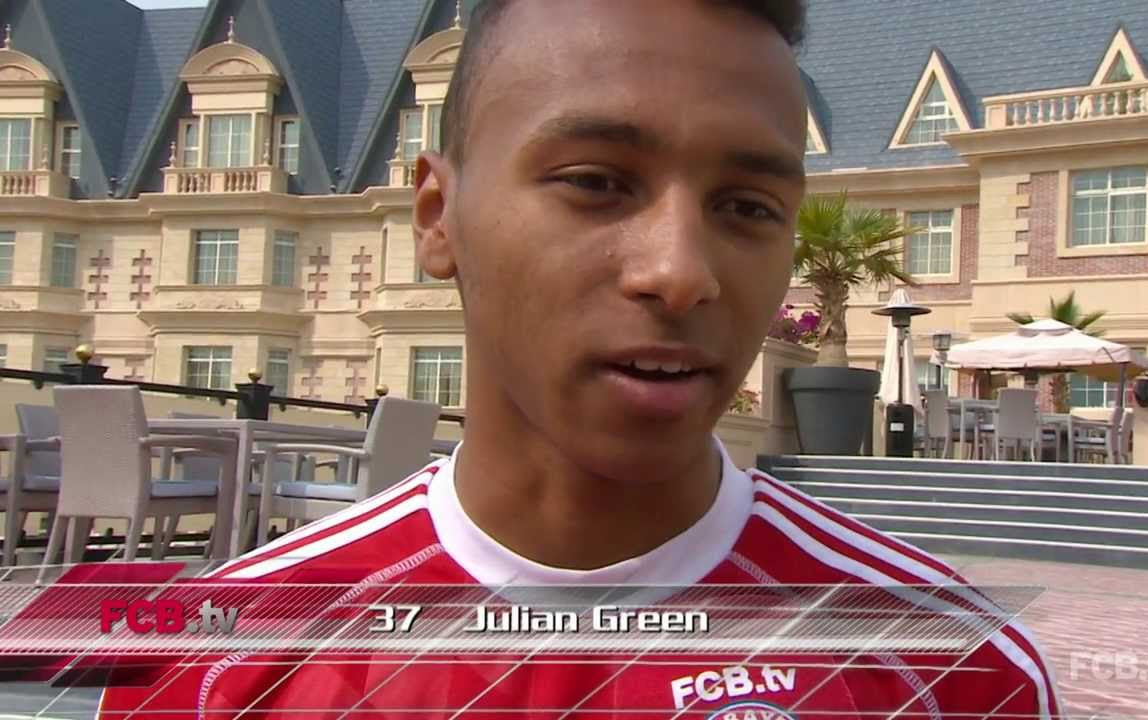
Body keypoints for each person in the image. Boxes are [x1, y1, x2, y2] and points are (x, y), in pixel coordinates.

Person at [101, 0, 1062, 717]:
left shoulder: (950, 667)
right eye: (596, 183)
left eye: (747, 208)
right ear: (437, 217)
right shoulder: (211, 667)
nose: (679, 273)